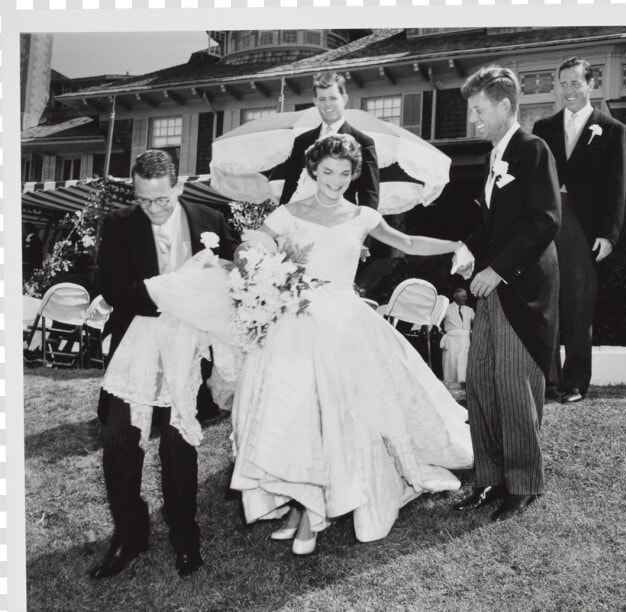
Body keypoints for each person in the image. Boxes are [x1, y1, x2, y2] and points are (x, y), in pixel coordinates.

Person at [229, 134, 473, 555]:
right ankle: (296, 501)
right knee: (294, 412)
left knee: (334, 413)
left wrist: (455, 244)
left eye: (344, 173)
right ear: (313, 171)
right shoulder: (288, 213)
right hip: (296, 318)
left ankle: (312, 512)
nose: (335, 181)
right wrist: (248, 257)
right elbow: (255, 244)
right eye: (327, 173)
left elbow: (408, 244)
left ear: (354, 174)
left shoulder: (362, 214)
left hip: (344, 323)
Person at [89, 150, 239, 579]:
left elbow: (232, 264)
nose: (153, 209)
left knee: (178, 444)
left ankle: (184, 535)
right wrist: (172, 294)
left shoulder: (210, 217)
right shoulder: (119, 224)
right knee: (118, 439)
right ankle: (130, 535)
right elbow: (110, 284)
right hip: (136, 343)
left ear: (178, 187)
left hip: (190, 347)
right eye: (143, 200)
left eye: (162, 200)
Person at [452, 65, 561, 522]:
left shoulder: (533, 149)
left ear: (503, 105)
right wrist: (467, 248)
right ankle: (491, 478)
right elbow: (495, 225)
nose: (474, 118)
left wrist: (497, 269)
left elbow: (545, 219)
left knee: (514, 383)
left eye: (479, 109)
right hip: (492, 284)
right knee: (480, 379)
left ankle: (524, 482)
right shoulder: (492, 156)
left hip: (524, 287)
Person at [532, 56, 626, 405]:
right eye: (564, 83)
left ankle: (575, 382)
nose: (569, 90)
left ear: (590, 85)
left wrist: (609, 234)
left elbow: (617, 187)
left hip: (584, 227)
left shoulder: (611, 129)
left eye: (576, 82)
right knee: (546, 302)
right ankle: (548, 380)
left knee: (578, 305)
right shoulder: (543, 128)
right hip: (547, 223)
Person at [264, 72, 379, 209]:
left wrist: (360, 227)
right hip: (302, 220)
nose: (327, 104)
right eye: (322, 99)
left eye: (333, 98)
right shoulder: (302, 141)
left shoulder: (363, 143)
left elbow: (369, 197)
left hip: (340, 222)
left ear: (344, 99)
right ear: (315, 101)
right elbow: (290, 188)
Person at [440, 288, 474, 385]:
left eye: (466, 296)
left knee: (465, 362)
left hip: (466, 340)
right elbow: (435, 322)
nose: (466, 298)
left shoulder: (469, 310)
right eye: (463, 296)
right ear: (456, 296)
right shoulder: (446, 308)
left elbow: (478, 323)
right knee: (452, 362)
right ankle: (451, 383)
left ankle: (465, 384)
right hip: (452, 340)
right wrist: (442, 333)